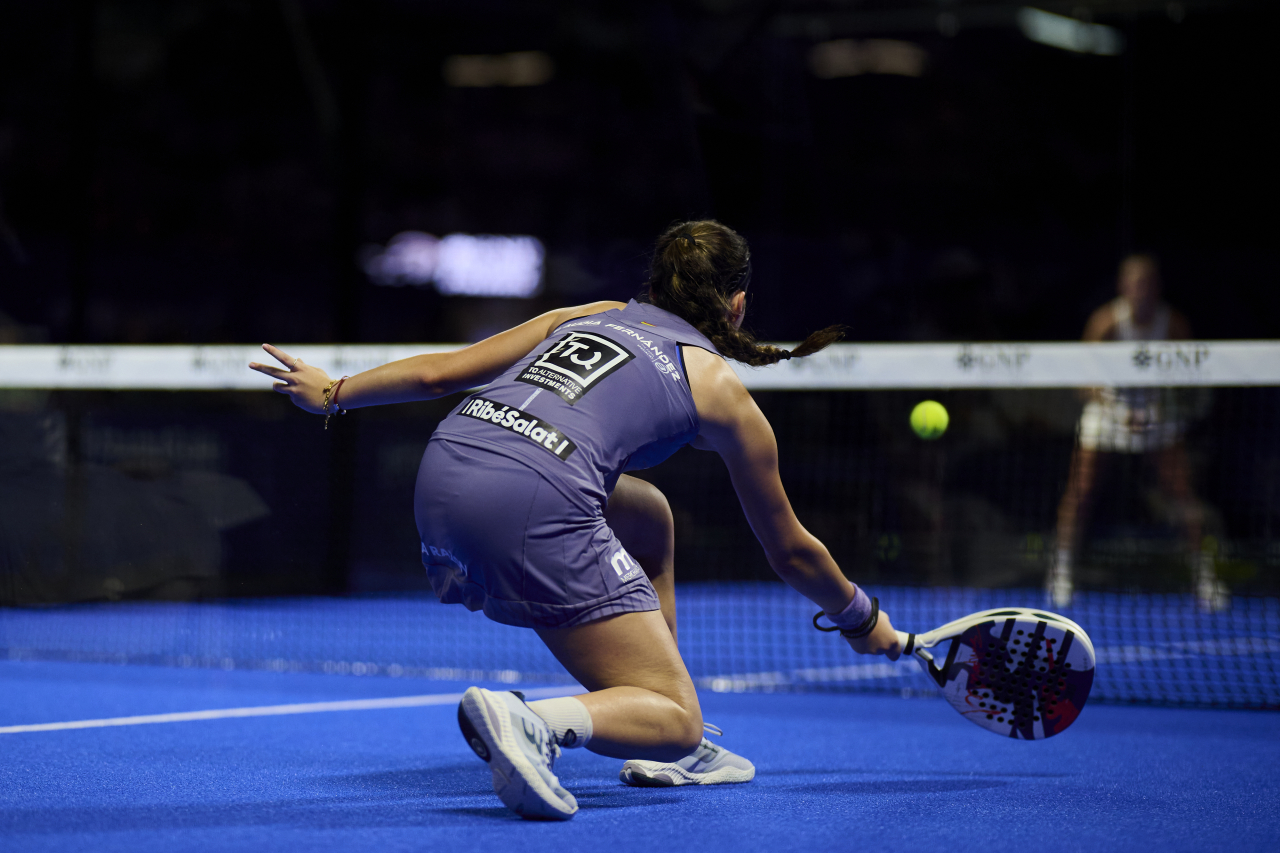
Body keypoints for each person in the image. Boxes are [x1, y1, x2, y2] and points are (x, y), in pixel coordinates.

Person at [250, 219, 901, 820]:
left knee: (647, 515)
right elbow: (788, 549)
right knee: (681, 716)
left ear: (651, 286)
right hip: (531, 501)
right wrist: (861, 617)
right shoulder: (719, 389)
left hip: (446, 468)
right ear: (737, 305)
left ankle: (655, 732)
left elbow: (437, 374)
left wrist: (334, 392)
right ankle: (540, 721)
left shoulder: (588, 314)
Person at [1049, 253, 1226, 611]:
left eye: (1146, 283)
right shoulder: (1105, 323)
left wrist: (1164, 406)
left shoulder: (1173, 324)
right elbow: (1083, 384)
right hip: (1108, 413)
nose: (1140, 290)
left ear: (1156, 287)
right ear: (1122, 287)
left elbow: (1189, 381)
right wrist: (1120, 409)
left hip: (1157, 415)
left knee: (1182, 495)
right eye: (1133, 283)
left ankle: (1205, 577)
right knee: (1080, 492)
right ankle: (1061, 573)